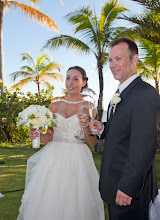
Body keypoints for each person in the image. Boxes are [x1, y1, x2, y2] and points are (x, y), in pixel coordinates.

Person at [17, 66, 105, 220]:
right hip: (52, 159)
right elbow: (49, 137)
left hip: (77, 160)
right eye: (68, 78)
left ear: (83, 82)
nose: (70, 82)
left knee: (75, 202)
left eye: (75, 79)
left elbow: (91, 142)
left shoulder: (88, 107)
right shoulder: (54, 106)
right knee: (49, 200)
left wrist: (86, 127)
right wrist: (36, 134)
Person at [89, 38, 160, 220]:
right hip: (115, 182)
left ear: (134, 59)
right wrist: (102, 129)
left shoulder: (144, 94)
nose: (112, 65)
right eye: (110, 60)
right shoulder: (122, 93)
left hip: (129, 190)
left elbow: (144, 146)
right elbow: (124, 130)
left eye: (118, 59)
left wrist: (128, 187)